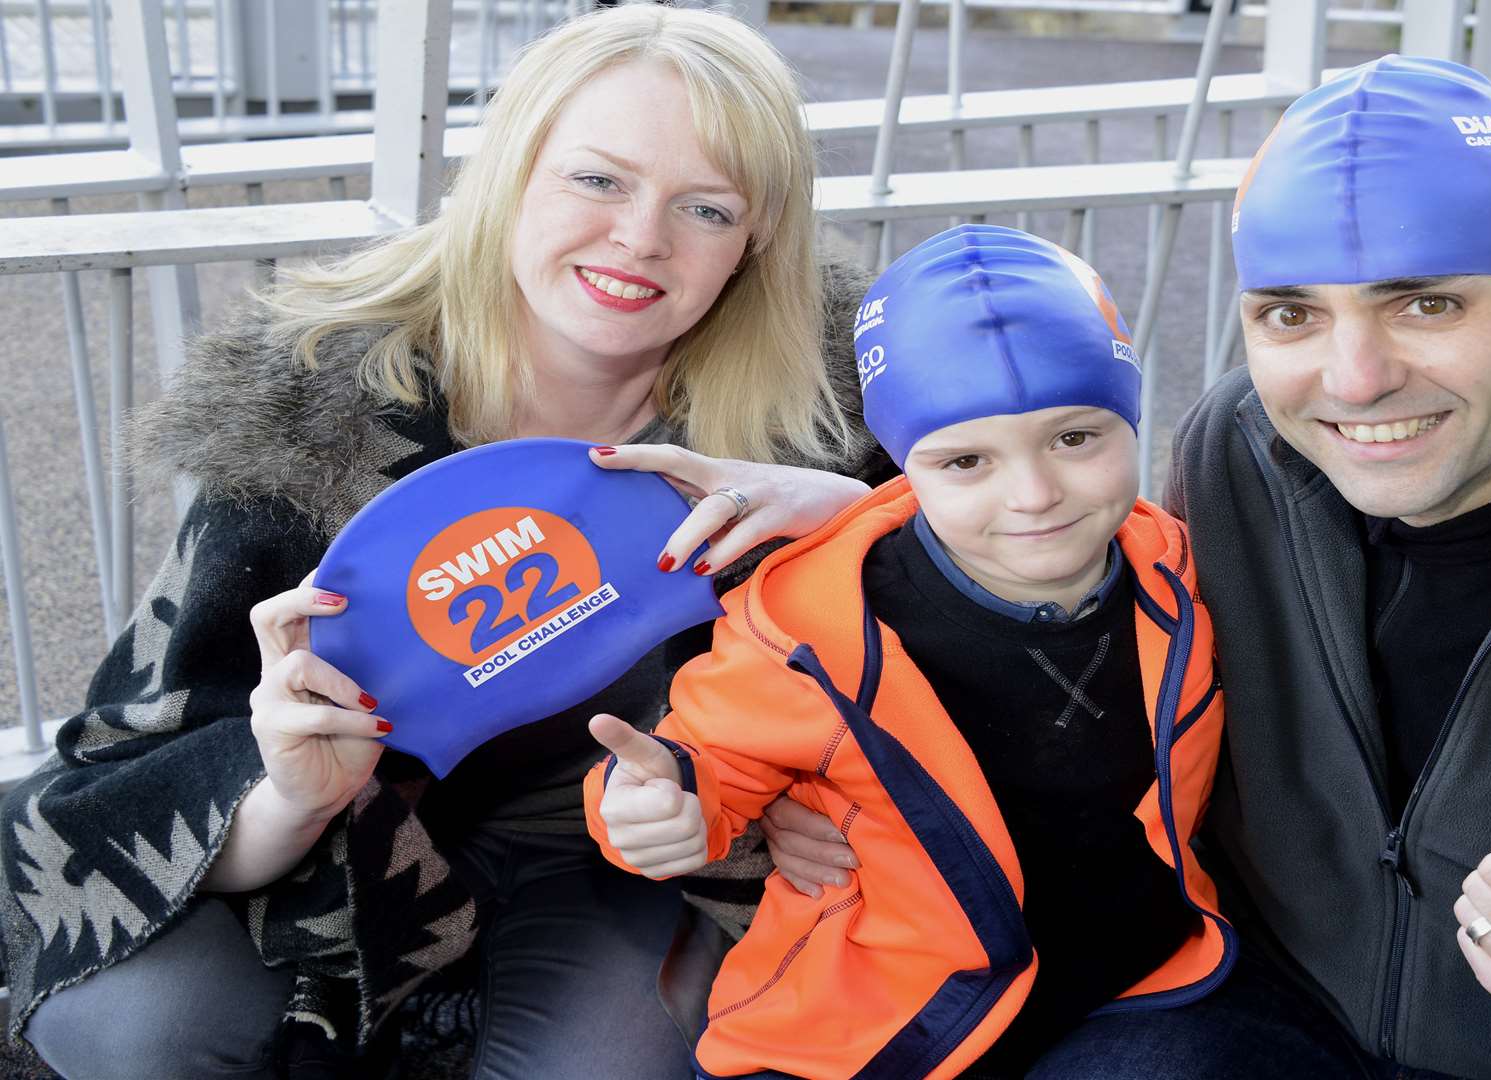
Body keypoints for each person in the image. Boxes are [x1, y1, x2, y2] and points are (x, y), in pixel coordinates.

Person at [767, 55, 1491, 1079]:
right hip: (1243, 1006)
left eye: (1426, 302)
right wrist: (878, 530)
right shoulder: (1240, 445)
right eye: (1290, 315)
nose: (1354, 378)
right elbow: (1096, 640)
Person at [0, 6, 892, 1079]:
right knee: (144, 1032)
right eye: (598, 180)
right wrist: (290, 792)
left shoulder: (828, 419)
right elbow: (139, 758)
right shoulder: (317, 407)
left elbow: (1021, 632)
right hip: (324, 852)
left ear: (754, 244)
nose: (641, 239)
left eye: (705, 207)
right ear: (511, 171)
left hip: (615, 856)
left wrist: (852, 527)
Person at [584, 225, 1243, 1080]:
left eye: (1076, 438)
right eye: (966, 460)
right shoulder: (810, 628)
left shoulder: (1178, 570)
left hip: (1135, 986)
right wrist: (653, 802)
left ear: (1131, 420)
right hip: (880, 1026)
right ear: (902, 464)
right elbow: (701, 761)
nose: (1035, 494)